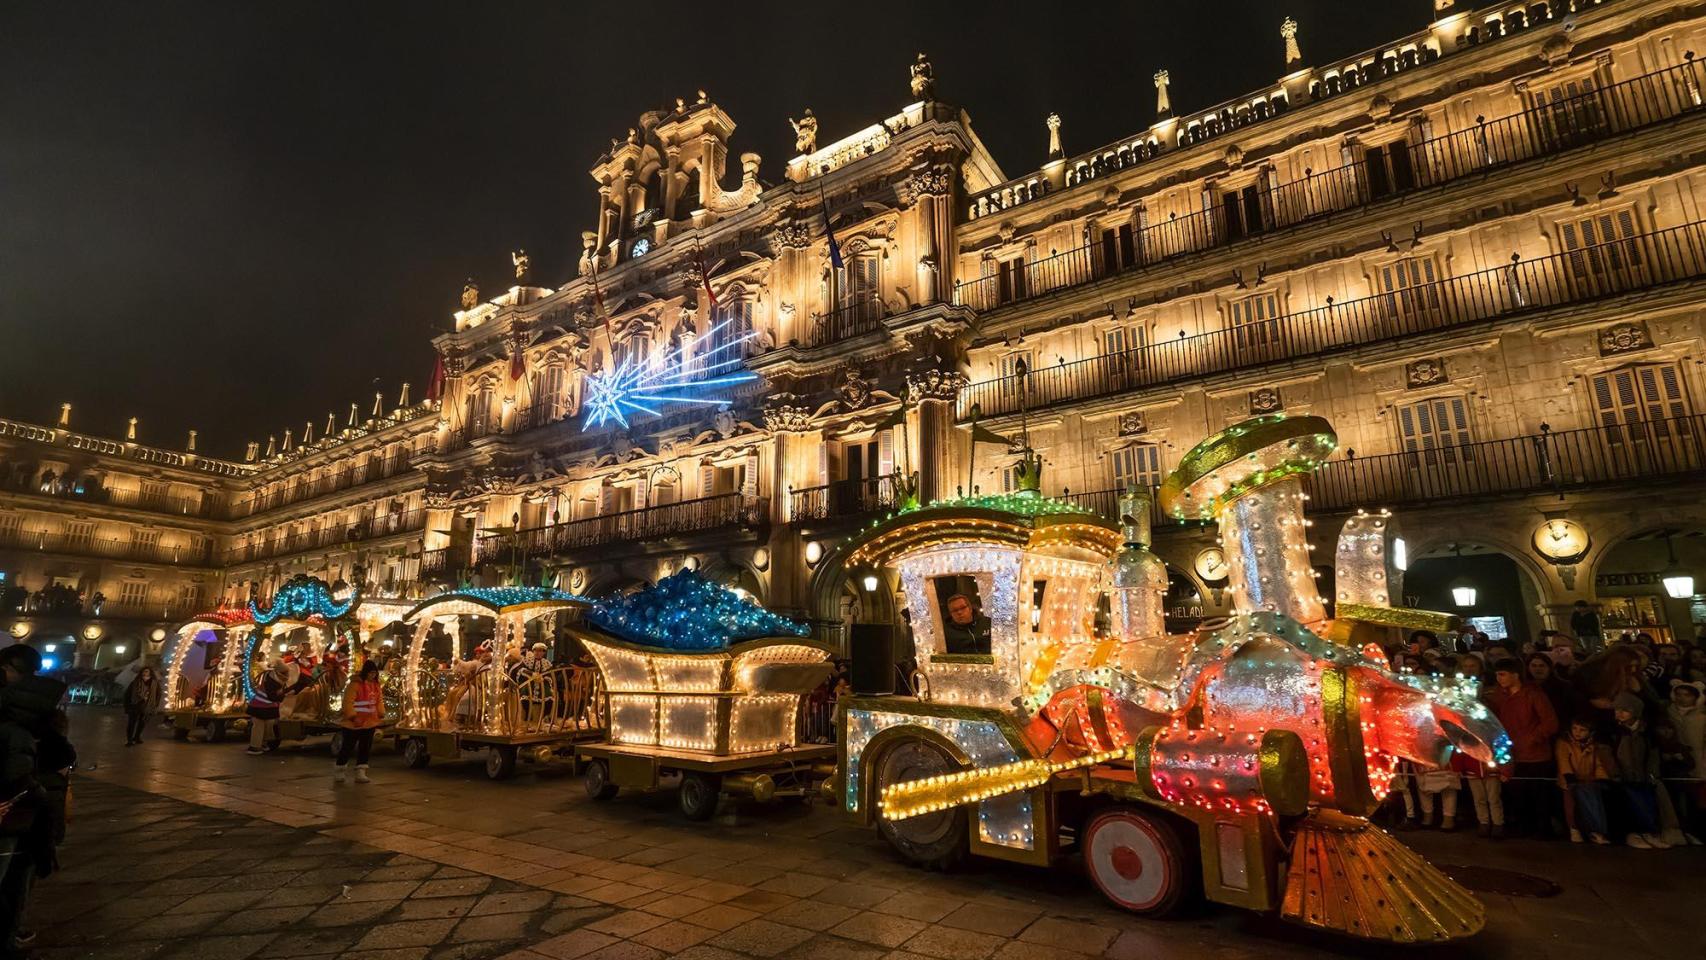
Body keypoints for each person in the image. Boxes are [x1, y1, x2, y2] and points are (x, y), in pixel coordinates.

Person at [1485, 657, 1559, 837]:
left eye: (1502, 674)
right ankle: (1524, 827)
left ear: (1515, 675)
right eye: (1497, 675)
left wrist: (1531, 738)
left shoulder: (1533, 695)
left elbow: (1550, 723)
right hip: (1511, 754)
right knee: (1517, 794)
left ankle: (1543, 829)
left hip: (1535, 755)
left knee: (1539, 795)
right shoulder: (1498, 696)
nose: (1499, 679)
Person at [1608, 692, 1668, 848]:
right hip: (1622, 776)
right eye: (1616, 710)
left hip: (1642, 775)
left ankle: (1648, 832)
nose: (1619, 714)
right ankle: (1632, 834)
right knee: (1628, 803)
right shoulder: (1614, 732)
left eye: (1624, 710)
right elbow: (1607, 754)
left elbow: (1653, 754)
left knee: (1646, 802)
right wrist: (1615, 773)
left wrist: (1653, 773)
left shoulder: (1646, 731)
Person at [1555, 719, 1613, 844]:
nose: (1577, 732)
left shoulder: (1594, 745)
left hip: (1588, 781)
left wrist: (1602, 778)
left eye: (1582, 730)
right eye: (1575, 728)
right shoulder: (1564, 743)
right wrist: (1569, 776)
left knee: (1593, 804)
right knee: (1571, 805)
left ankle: (1596, 831)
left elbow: (1598, 764)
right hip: (1569, 780)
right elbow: (1563, 760)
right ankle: (1574, 829)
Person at [334, 660, 385, 784]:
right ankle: (340, 769)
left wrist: (381, 712)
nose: (373, 675)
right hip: (353, 723)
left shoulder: (375, 686)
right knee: (348, 746)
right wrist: (352, 716)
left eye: (374, 673)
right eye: (371, 673)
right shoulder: (355, 685)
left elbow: (379, 701)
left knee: (365, 747)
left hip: (369, 722)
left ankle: (361, 771)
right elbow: (348, 702)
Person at [245, 663, 288, 755]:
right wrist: (281, 695)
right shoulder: (272, 681)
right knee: (259, 727)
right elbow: (273, 696)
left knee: (267, 725)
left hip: (264, 707)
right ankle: (255, 746)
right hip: (261, 707)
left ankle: (262, 744)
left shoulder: (273, 679)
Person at [122, 666, 162, 745]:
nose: (145, 673)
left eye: (147, 671)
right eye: (144, 671)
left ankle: (137, 737)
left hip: (147, 706)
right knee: (132, 723)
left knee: (142, 723)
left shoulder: (154, 683)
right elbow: (128, 693)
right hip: (135, 706)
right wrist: (127, 705)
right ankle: (129, 739)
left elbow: (158, 693)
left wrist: (155, 704)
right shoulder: (136, 682)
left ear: (150, 672)